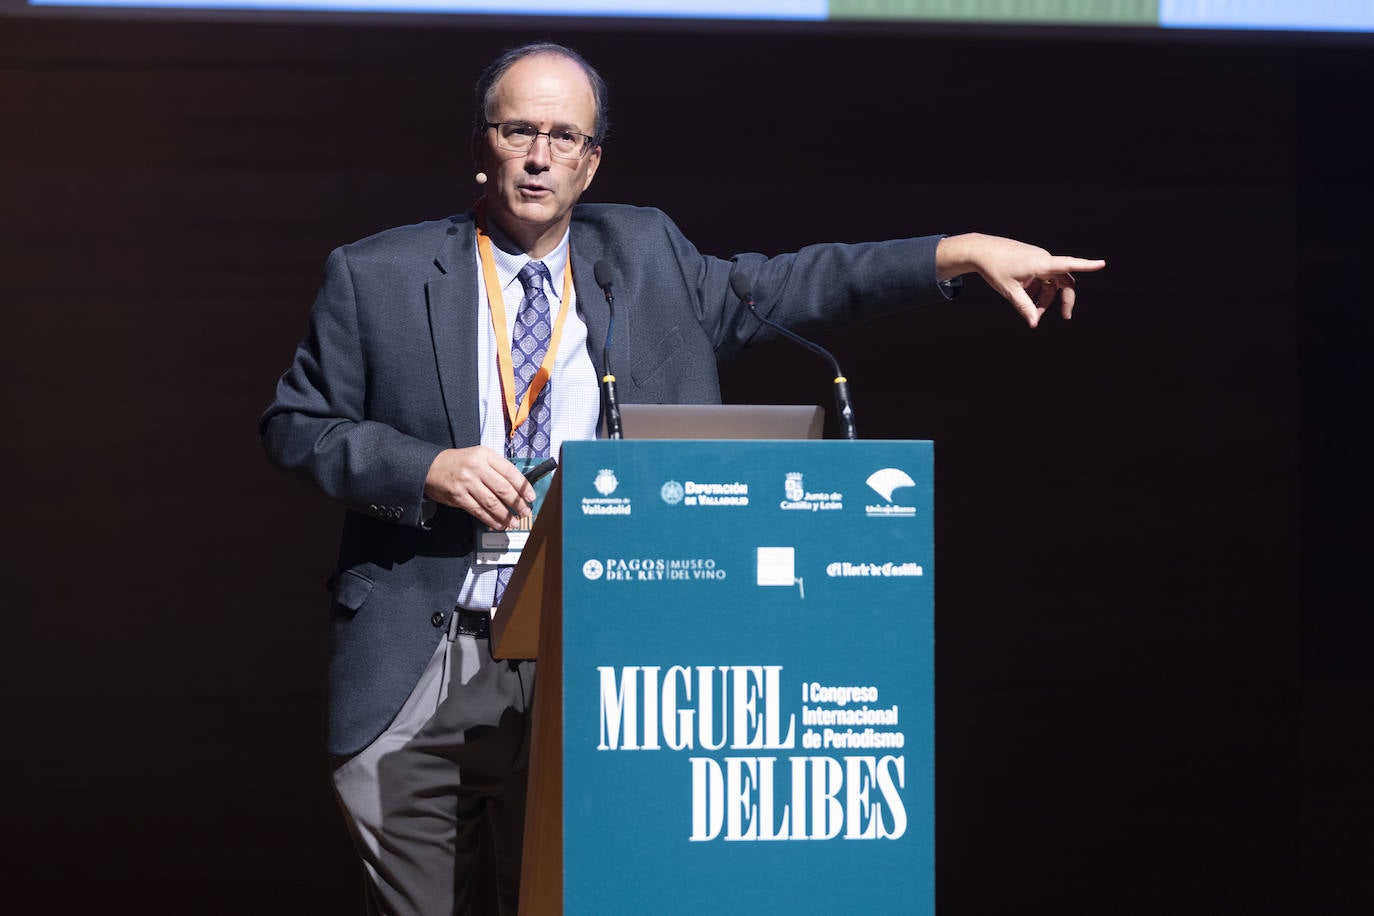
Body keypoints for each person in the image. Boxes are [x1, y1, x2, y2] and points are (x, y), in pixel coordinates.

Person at [260, 40, 1104, 916]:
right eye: (518, 131)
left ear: (592, 164)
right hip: (422, 661)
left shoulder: (645, 255)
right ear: (481, 146)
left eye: (563, 137)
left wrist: (955, 253)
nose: (540, 155)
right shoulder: (379, 274)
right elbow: (294, 425)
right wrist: (425, 467)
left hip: (596, 661)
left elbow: (797, 285)